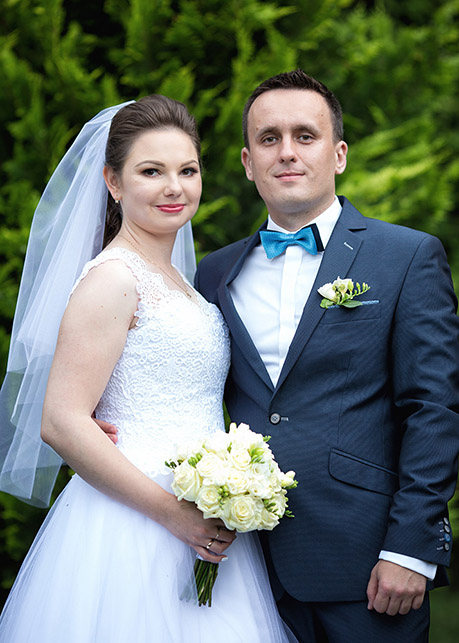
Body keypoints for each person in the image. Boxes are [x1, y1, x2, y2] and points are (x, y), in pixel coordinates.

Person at [0, 95, 295, 642]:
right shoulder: (113, 279)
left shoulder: (186, 281)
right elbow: (61, 422)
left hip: (203, 515)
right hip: (136, 521)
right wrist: (173, 513)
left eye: (187, 170)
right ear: (113, 182)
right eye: (151, 171)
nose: (174, 187)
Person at [194, 70, 459, 642]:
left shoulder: (407, 256)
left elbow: (433, 408)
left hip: (369, 566)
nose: (286, 152)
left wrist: (412, 549)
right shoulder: (214, 272)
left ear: (338, 154)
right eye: (269, 139)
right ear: (246, 162)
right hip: (244, 567)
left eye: (305, 136)